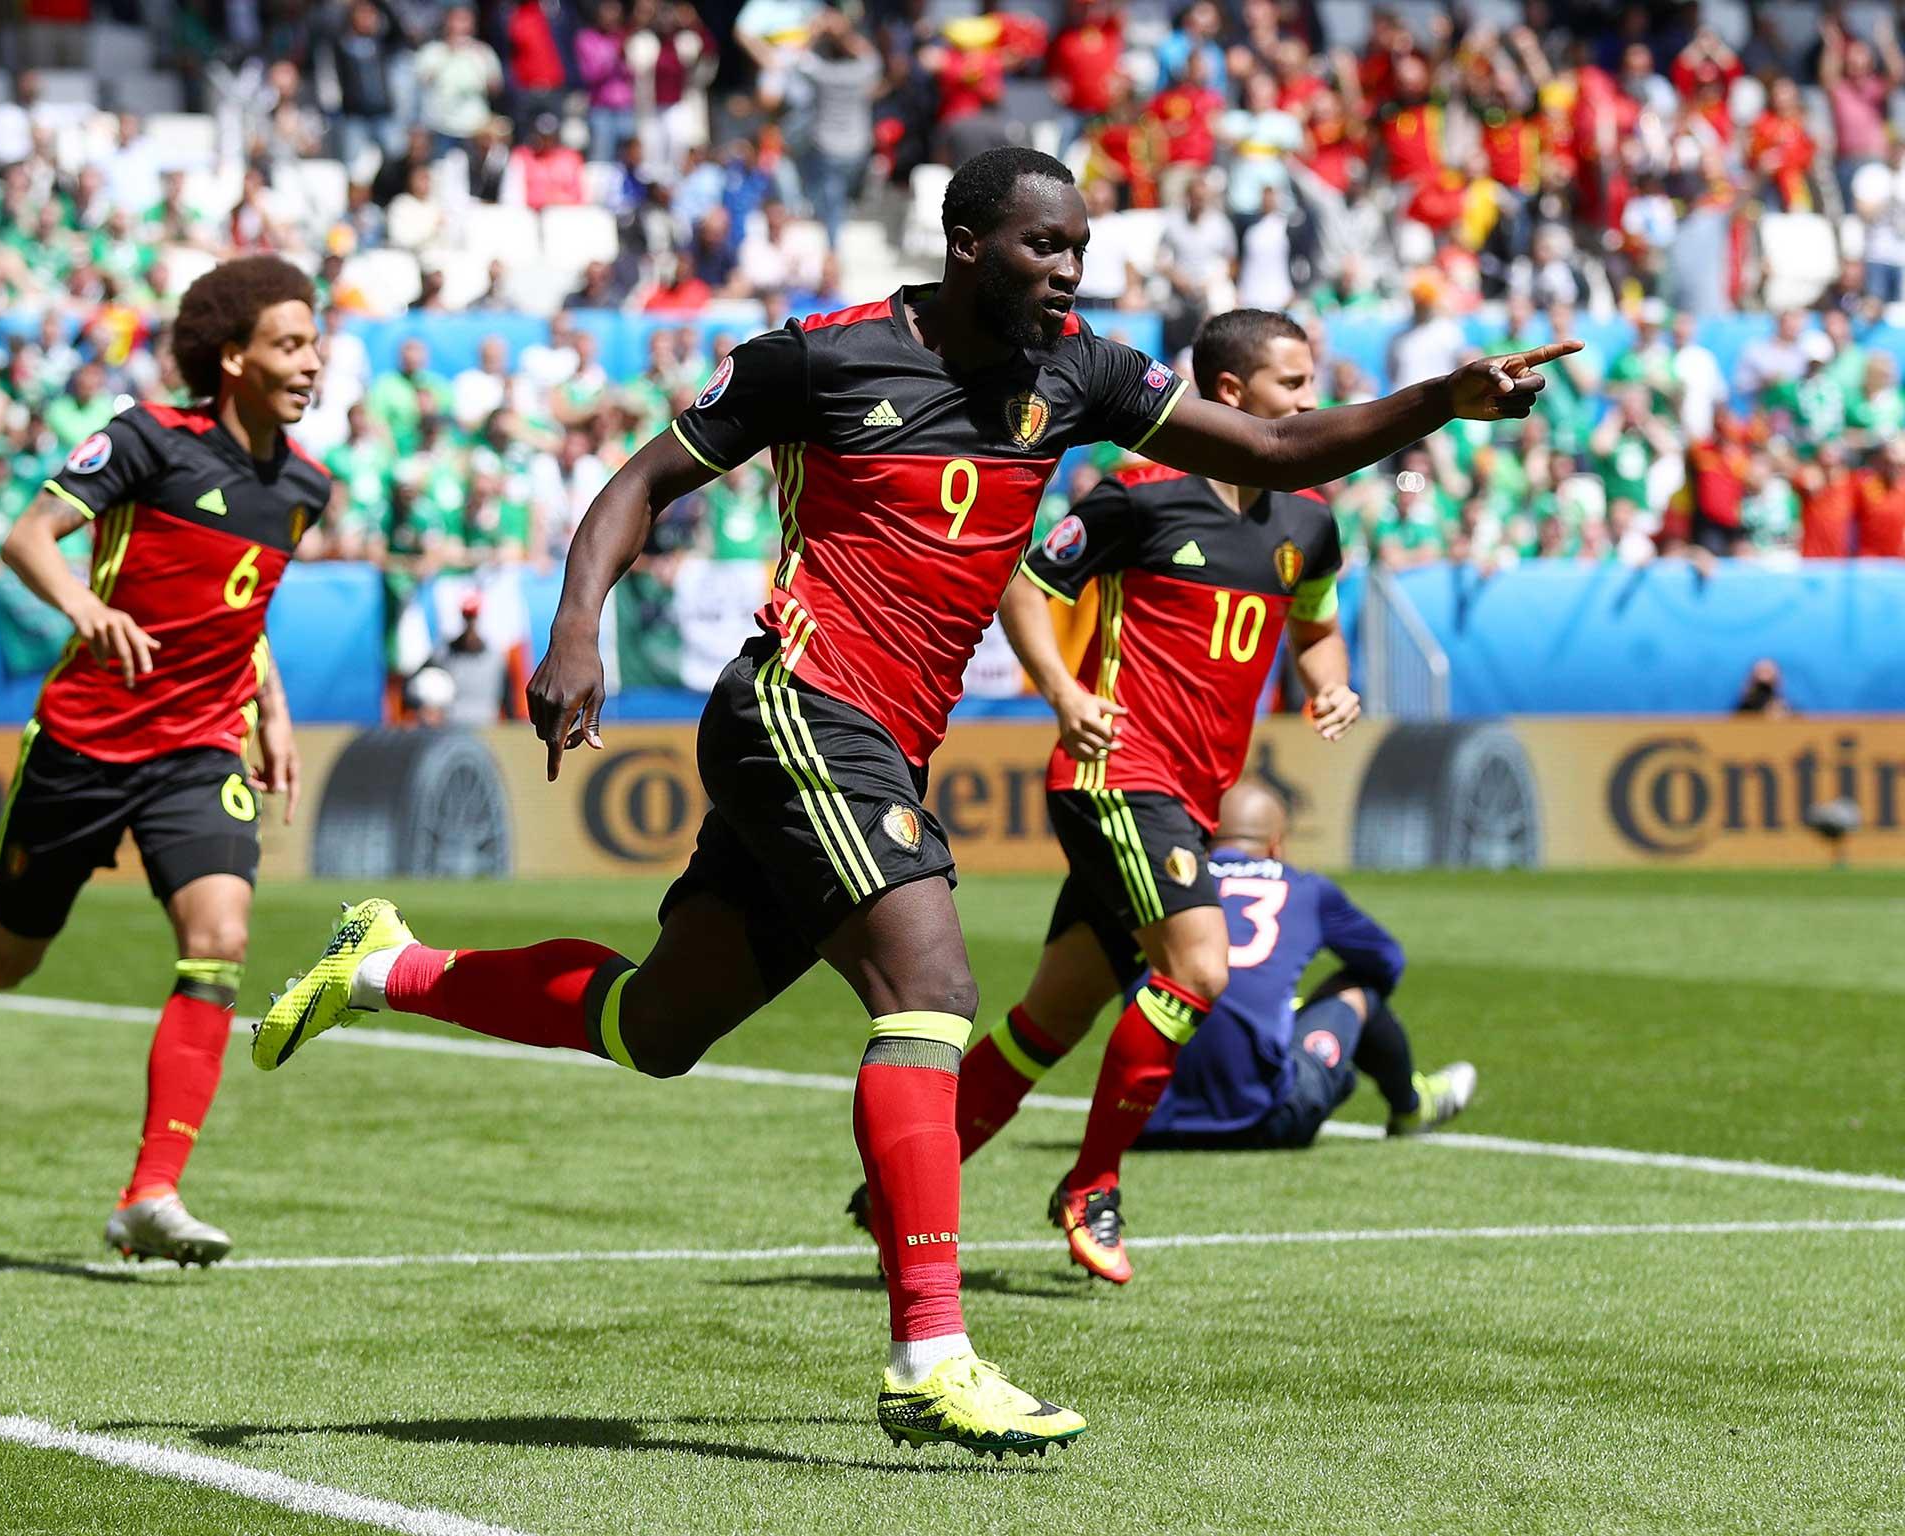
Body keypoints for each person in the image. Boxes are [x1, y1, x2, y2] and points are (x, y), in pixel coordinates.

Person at [253, 147, 1572, 1455]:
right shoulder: (818, 359)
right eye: (1043, 248)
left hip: (880, 742)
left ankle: (390, 965)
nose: (1068, 274)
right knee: (931, 991)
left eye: (1080, 252)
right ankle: (930, 1354)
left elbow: (1285, 446)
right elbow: (639, 484)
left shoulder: (1085, 376)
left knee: (655, 1025)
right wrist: (577, 629)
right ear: (965, 244)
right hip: (797, 707)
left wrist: (1441, 401)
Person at [848, 309, 1358, 1285]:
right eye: (1291, 385)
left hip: (1187, 799)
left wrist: (1327, 680)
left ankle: (898, 1186)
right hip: (1115, 776)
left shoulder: (1305, 521)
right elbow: (1021, 584)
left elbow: (1313, 628)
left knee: (1052, 1015)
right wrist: (1066, 690)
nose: (1308, 401)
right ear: (1228, 394)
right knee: (1197, 971)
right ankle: (1090, 1185)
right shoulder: (1138, 498)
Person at [0, 256, 330, 1268]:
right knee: (4, 958)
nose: (311, 361)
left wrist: (275, 712)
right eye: (290, 344)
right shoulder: (148, 438)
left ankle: (152, 1193)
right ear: (233, 357)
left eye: (314, 343)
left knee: (219, 939)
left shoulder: (303, 487)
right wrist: (85, 606)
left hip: (200, 745)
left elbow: (241, 614)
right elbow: (29, 536)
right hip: (86, 738)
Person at [1132, 781, 1474, 1150]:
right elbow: (1386, 962)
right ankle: (1412, 1106)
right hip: (1267, 1120)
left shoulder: (1162, 883)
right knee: (1360, 990)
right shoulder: (1306, 889)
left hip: (1142, 1121)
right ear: (1277, 845)